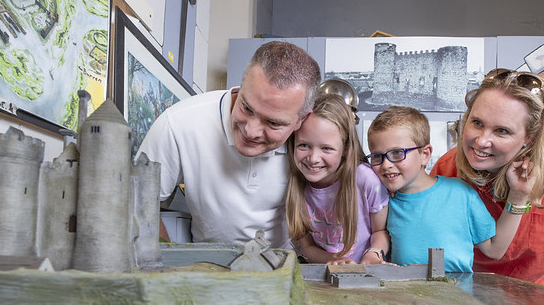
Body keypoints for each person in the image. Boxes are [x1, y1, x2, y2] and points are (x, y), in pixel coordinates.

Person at [430, 69, 544, 295]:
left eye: (501, 131)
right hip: (470, 282)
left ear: (529, 138)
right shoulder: (448, 168)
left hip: (543, 284)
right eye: (477, 123)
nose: (481, 141)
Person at [137, 41, 321, 246]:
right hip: (208, 266)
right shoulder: (177, 124)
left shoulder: (311, 143)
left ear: (301, 121)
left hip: (282, 267)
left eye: (273, 123)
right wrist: (166, 262)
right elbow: (136, 204)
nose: (251, 131)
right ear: (241, 86)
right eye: (247, 108)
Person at [367, 106, 535, 273]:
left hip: (457, 293)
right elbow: (379, 236)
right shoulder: (383, 201)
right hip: (404, 294)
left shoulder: (461, 193)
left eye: (397, 153)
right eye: (377, 156)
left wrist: (518, 196)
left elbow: (494, 249)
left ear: (425, 154)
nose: (386, 165)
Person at [285, 93, 389, 265]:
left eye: (326, 148)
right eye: (304, 145)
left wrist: (373, 254)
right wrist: (334, 261)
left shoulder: (365, 179)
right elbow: (308, 247)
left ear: (346, 148)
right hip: (321, 275)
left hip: (366, 273)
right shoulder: (296, 184)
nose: (313, 158)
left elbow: (381, 231)